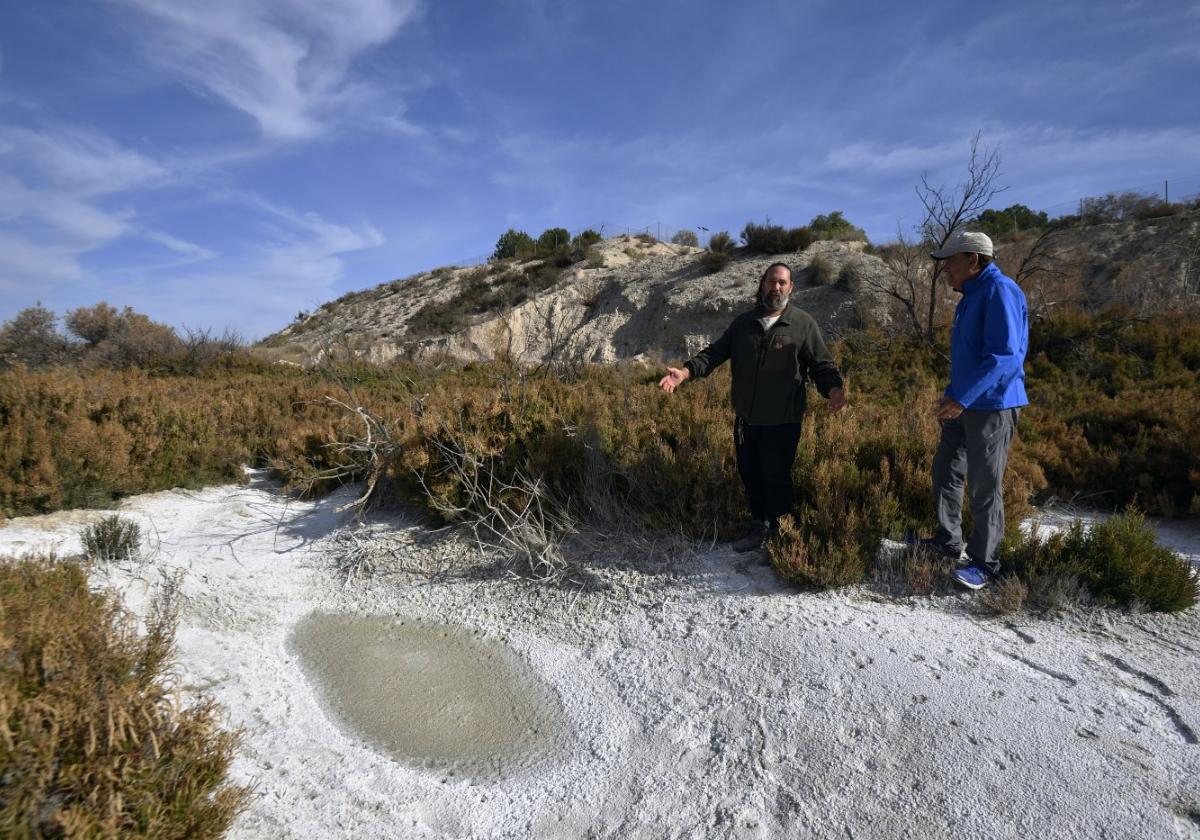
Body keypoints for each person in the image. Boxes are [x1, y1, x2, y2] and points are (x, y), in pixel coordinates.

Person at [658, 262, 846, 553]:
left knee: (777, 476)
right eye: (772, 281)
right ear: (762, 284)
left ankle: (782, 535)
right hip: (746, 420)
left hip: (783, 421)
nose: (777, 287)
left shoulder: (803, 324)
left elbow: (822, 365)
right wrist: (685, 372)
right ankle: (759, 527)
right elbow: (714, 353)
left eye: (783, 282)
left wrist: (833, 389)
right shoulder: (743, 324)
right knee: (750, 474)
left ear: (791, 288)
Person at [924, 230, 1028, 590]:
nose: (945, 270)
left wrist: (963, 397)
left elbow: (1006, 356)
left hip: (993, 405)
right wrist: (953, 394)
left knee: (984, 485)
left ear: (973, 260)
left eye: (950, 262)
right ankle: (947, 541)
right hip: (964, 402)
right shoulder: (970, 295)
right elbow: (970, 356)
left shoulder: (1000, 290)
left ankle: (986, 563)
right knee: (946, 469)